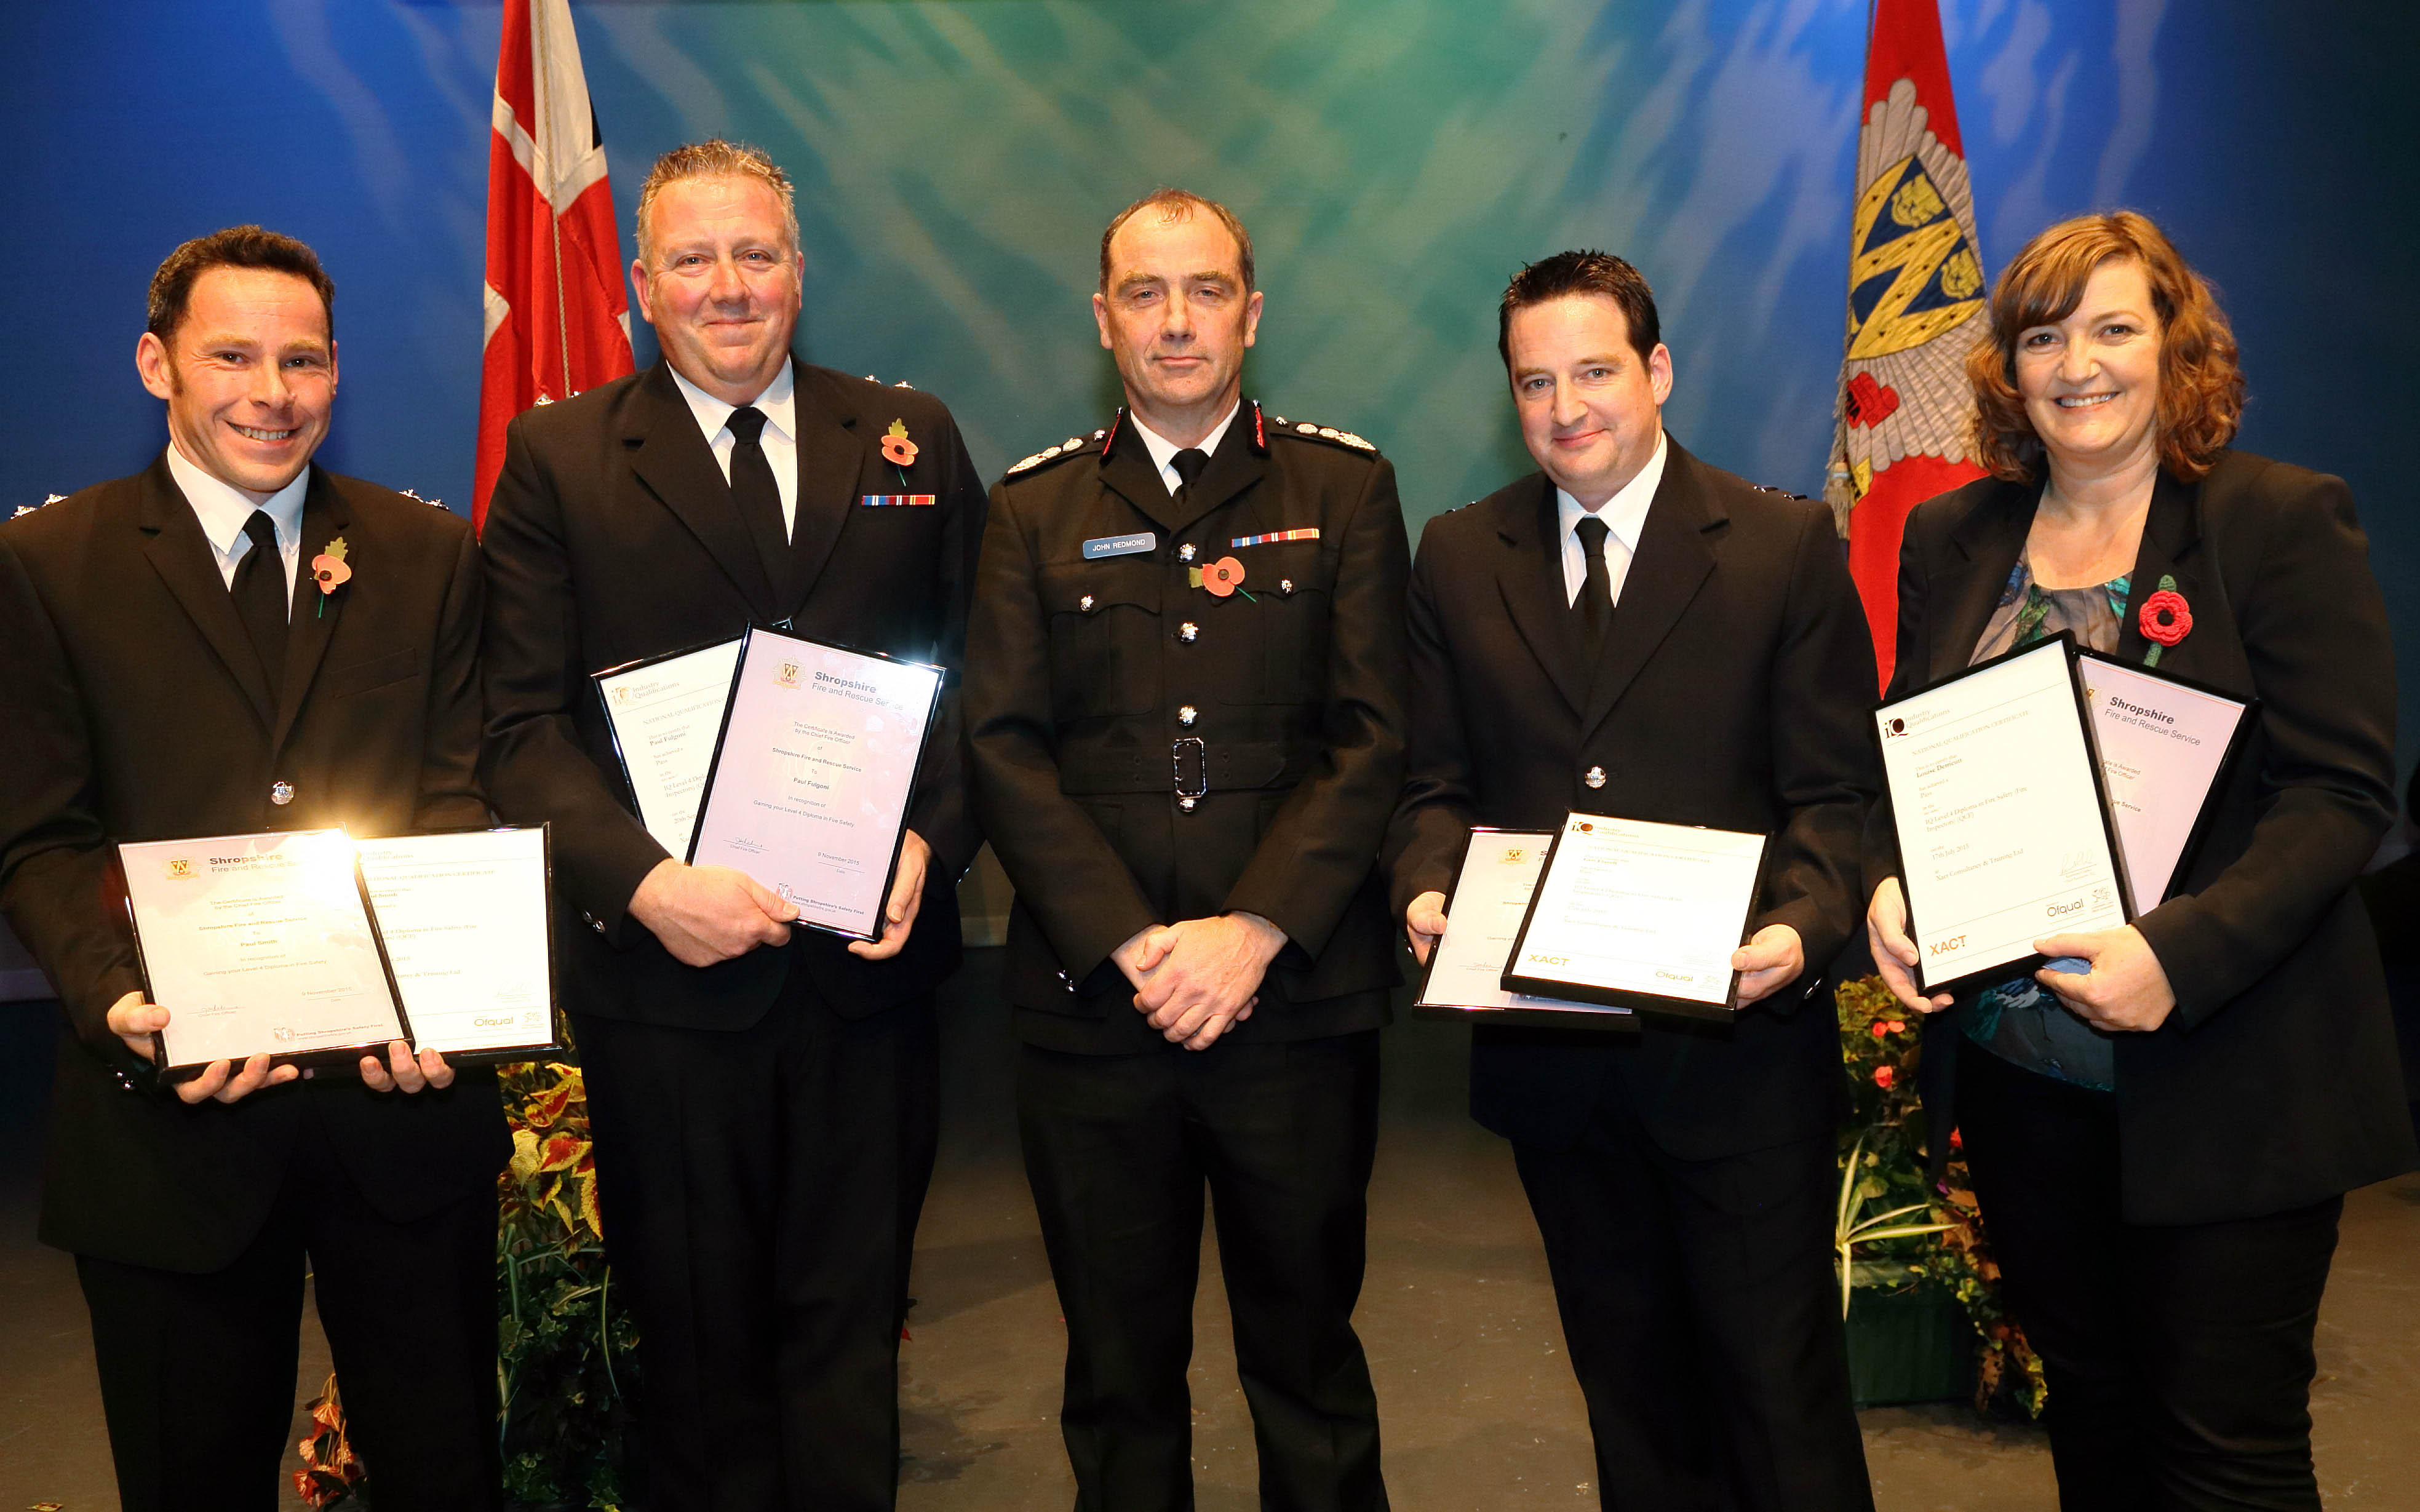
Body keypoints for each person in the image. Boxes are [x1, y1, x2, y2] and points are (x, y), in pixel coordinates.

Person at [1865, 211, 2415, 1510]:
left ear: (2175, 346)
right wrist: (1895, 882)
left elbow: (2341, 794)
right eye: (2043, 335)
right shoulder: (1953, 535)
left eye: (2112, 328)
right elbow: (1914, 749)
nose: (2076, 364)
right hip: (2018, 1078)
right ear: (2007, 366)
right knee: (2091, 1414)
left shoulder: (2274, 521)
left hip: (2227, 1069)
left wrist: (2174, 954)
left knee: (2225, 1455)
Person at [478, 140, 984, 1510]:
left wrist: (928, 843)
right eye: (693, 260)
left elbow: (982, 686)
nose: (728, 286)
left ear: (799, 273)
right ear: (643, 284)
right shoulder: (560, 457)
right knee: (695, 1353)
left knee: (849, 1327)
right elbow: (517, 726)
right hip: (668, 983)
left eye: (755, 253)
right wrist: (645, 885)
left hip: (865, 983)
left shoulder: (908, 434)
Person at [0, 226, 507, 1509]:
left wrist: (442, 998)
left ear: (339, 372)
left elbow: (457, 797)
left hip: (402, 1108)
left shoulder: (428, 554)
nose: (269, 392)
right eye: (231, 355)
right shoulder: (50, 565)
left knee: (444, 1469)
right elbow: (38, 832)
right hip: (168, 1118)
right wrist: (124, 999)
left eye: (303, 359)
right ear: (154, 363)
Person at [1384, 250, 1878, 1512]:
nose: (1565, 407)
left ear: (1655, 370)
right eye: (1534, 380)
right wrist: (1428, 886)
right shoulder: (1455, 555)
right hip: (1556, 1065)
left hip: (1737, 1054)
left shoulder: (1778, 545)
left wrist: (1803, 925)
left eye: (1593, 370)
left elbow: (1837, 796)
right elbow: (1432, 783)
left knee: (1781, 1404)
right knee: (1630, 1402)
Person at [965, 187, 1406, 1511]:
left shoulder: (1343, 487)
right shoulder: (1030, 510)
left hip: (1294, 1006)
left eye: (1204, 290)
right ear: (1101, 319)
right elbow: (1000, 745)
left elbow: (1374, 734)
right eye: (1143, 294)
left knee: (1308, 1361)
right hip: (1096, 1008)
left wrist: (1251, 928)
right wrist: (1135, 940)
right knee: (1115, 1373)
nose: (1175, 321)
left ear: (1250, 313)